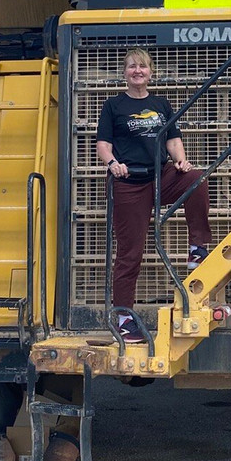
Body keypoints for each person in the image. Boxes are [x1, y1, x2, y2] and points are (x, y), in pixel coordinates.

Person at [96, 47, 212, 344]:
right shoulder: (113, 105)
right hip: (129, 182)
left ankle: (197, 248)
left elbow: (173, 139)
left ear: (151, 72)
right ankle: (124, 319)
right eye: (132, 66)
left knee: (196, 179)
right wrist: (113, 163)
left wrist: (181, 161)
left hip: (160, 176)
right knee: (130, 253)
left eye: (143, 67)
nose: (138, 71)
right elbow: (103, 145)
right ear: (125, 73)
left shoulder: (161, 104)